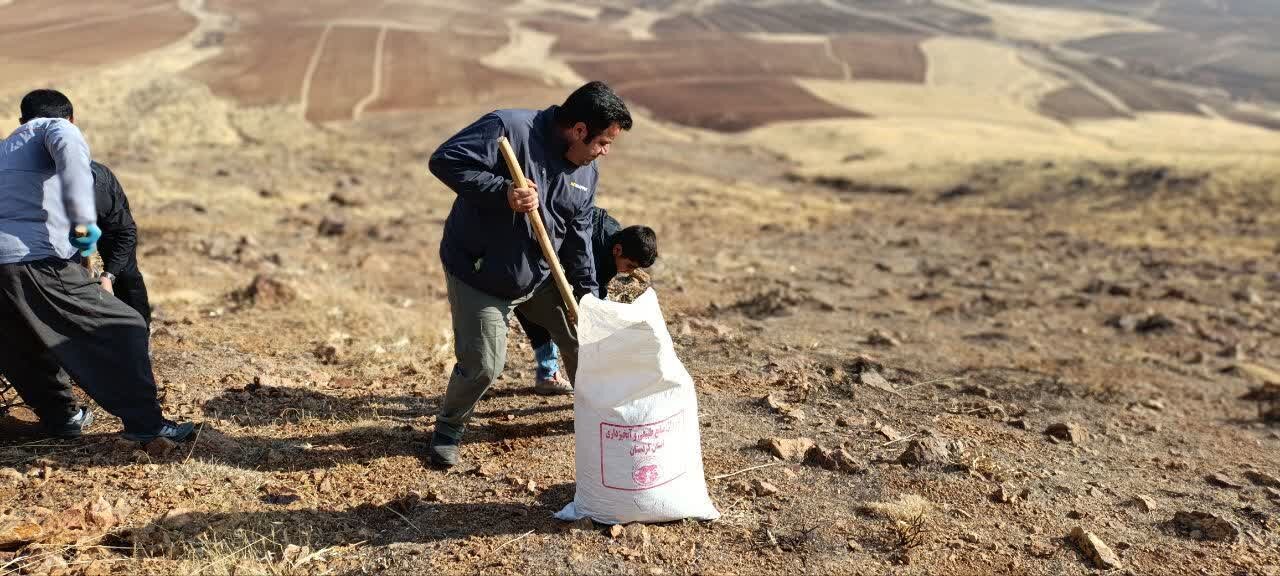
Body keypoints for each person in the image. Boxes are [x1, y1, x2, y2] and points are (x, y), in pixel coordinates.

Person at [426, 81, 632, 467]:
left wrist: (589, 299)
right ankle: (448, 430)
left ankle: (592, 411)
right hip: (481, 273)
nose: (604, 152)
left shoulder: (586, 174)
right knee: (484, 366)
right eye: (603, 142)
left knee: (580, 341)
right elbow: (445, 160)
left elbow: (580, 234)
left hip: (539, 274)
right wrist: (502, 192)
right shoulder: (508, 128)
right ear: (579, 130)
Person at [0, 89, 193, 441]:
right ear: (71, 119)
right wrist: (84, 220)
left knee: (20, 344)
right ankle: (146, 426)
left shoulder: (3, 151)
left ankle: (63, 419)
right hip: (34, 261)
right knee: (126, 327)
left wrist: (107, 274)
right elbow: (71, 156)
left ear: (19, 122)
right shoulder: (57, 129)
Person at [516, 209, 658, 394]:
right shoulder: (592, 247)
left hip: (556, 264)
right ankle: (555, 377)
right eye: (630, 266)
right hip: (530, 261)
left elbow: (596, 286)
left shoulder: (615, 239)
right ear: (617, 250)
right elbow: (578, 272)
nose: (629, 272)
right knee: (553, 318)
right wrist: (581, 307)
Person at [90, 161, 152, 326]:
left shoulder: (98, 193)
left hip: (112, 224)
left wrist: (109, 275)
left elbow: (126, 233)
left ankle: (140, 328)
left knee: (124, 272)